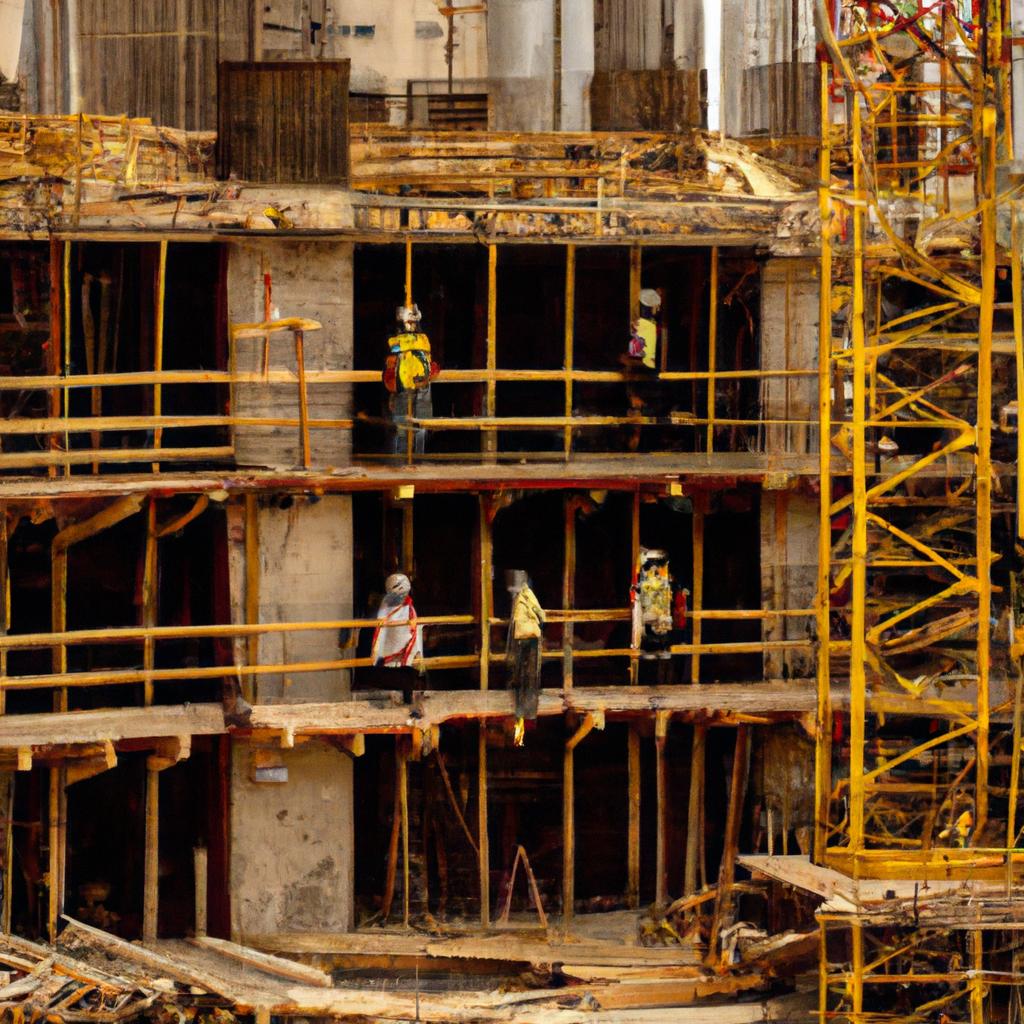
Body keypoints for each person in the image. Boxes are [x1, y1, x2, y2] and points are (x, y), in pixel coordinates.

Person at [383, 304, 438, 455]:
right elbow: (393, 353)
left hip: (421, 385)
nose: (411, 325)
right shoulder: (395, 342)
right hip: (402, 385)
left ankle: (419, 458)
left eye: (413, 322)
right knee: (401, 425)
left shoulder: (423, 340)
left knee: (421, 425)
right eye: (408, 322)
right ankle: (401, 457)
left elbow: (427, 355)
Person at [505, 570, 545, 744]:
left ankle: (524, 708)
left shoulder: (524, 597)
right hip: (525, 639)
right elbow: (539, 614)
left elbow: (538, 612)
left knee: (525, 672)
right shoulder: (523, 598)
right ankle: (523, 706)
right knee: (525, 671)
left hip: (525, 639)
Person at [370, 573, 424, 697]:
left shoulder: (409, 605)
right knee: (390, 667)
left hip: (405, 637)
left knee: (407, 665)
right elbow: (382, 617)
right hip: (390, 638)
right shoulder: (386, 602)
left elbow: (412, 618)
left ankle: (407, 693)